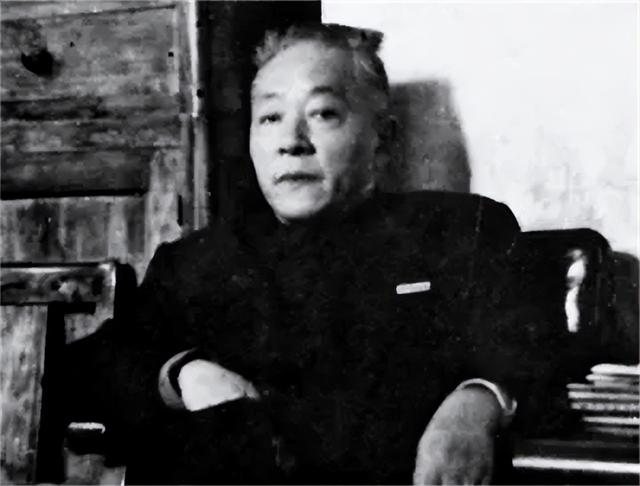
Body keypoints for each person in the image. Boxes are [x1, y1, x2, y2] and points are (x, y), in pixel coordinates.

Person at [69, 23, 558, 485]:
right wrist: (183, 373)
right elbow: (89, 368)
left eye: (323, 114)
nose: (291, 142)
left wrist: (477, 404)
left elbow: (536, 350)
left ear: (382, 139)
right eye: (270, 118)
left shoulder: (459, 234)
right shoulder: (198, 261)